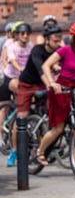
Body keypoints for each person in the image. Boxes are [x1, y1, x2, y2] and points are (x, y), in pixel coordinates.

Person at [36, 22, 75, 167]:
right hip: (62, 88)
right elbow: (45, 65)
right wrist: (52, 82)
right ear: (74, 38)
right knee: (58, 128)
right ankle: (40, 151)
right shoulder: (64, 50)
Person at [2, 23, 34, 166]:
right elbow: (13, 61)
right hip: (12, 77)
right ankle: (14, 151)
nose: (25, 36)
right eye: (22, 33)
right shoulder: (11, 47)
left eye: (27, 33)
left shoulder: (30, 47)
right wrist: (22, 69)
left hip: (26, 78)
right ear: (16, 35)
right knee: (19, 93)